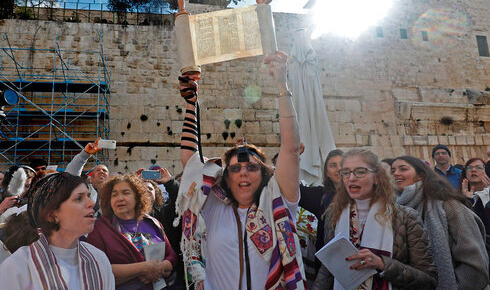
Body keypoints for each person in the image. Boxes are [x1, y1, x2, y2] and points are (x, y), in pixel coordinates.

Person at [176, 51, 306, 290]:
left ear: (264, 172)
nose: (243, 172)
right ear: (226, 176)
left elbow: (290, 148)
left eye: (251, 167)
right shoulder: (213, 205)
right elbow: (191, 162)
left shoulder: (276, 200)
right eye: (235, 168)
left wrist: (281, 84)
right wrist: (191, 104)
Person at [313, 149, 437, 290]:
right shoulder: (335, 214)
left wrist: (383, 264)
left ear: (377, 177)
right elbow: (328, 268)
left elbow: (428, 280)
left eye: (360, 171)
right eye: (346, 172)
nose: (351, 178)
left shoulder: (406, 217)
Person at [0, 172, 115, 289]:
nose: (91, 203)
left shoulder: (97, 258)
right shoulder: (18, 266)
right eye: (79, 198)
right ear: (51, 214)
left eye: (88, 196)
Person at [393, 155, 489, 289]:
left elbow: (474, 263)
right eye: (393, 171)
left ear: (420, 175)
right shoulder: (395, 210)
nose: (396, 173)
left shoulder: (450, 207)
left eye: (403, 169)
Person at [87, 173, 177, 289]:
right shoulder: (98, 228)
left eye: (126, 193)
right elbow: (97, 268)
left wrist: (160, 267)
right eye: (114, 195)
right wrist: (144, 268)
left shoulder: (153, 223)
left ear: (137, 197)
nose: (120, 198)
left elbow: (171, 255)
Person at [65, 139, 108, 216]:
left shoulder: (114, 192)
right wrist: (85, 154)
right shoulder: (83, 190)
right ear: (91, 178)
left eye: (104, 171)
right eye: (98, 170)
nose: (101, 171)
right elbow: (70, 177)